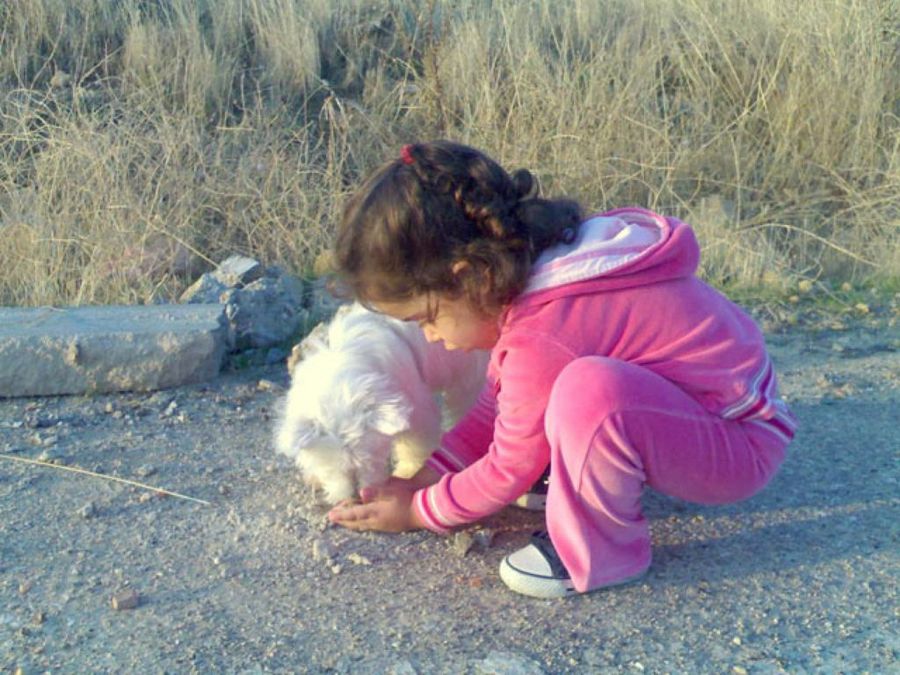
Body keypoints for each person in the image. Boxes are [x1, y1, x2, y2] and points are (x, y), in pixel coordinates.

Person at [327, 140, 796, 599]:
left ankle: (598, 550)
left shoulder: (543, 330)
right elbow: (500, 405)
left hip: (737, 442)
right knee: (569, 391)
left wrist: (420, 511)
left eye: (426, 318)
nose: (431, 336)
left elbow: (507, 467)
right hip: (702, 415)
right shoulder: (543, 274)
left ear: (471, 275)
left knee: (588, 391)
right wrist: (431, 471)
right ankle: (571, 473)